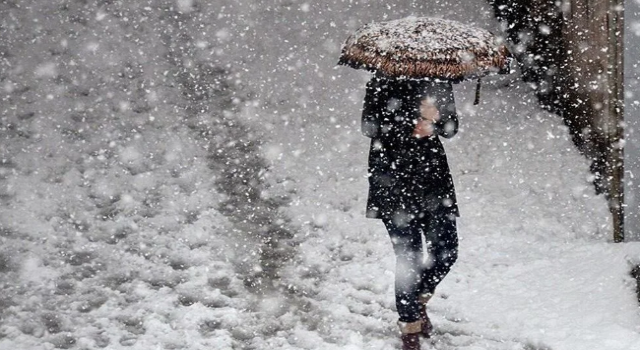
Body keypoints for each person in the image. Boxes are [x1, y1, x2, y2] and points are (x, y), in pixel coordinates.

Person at [361, 74, 459, 350]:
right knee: (409, 259)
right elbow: (369, 127)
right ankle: (410, 329)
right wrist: (414, 120)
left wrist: (436, 120)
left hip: (433, 182)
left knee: (446, 252)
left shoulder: (438, 82)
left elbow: (451, 128)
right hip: (393, 181)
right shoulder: (380, 83)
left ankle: (417, 300)